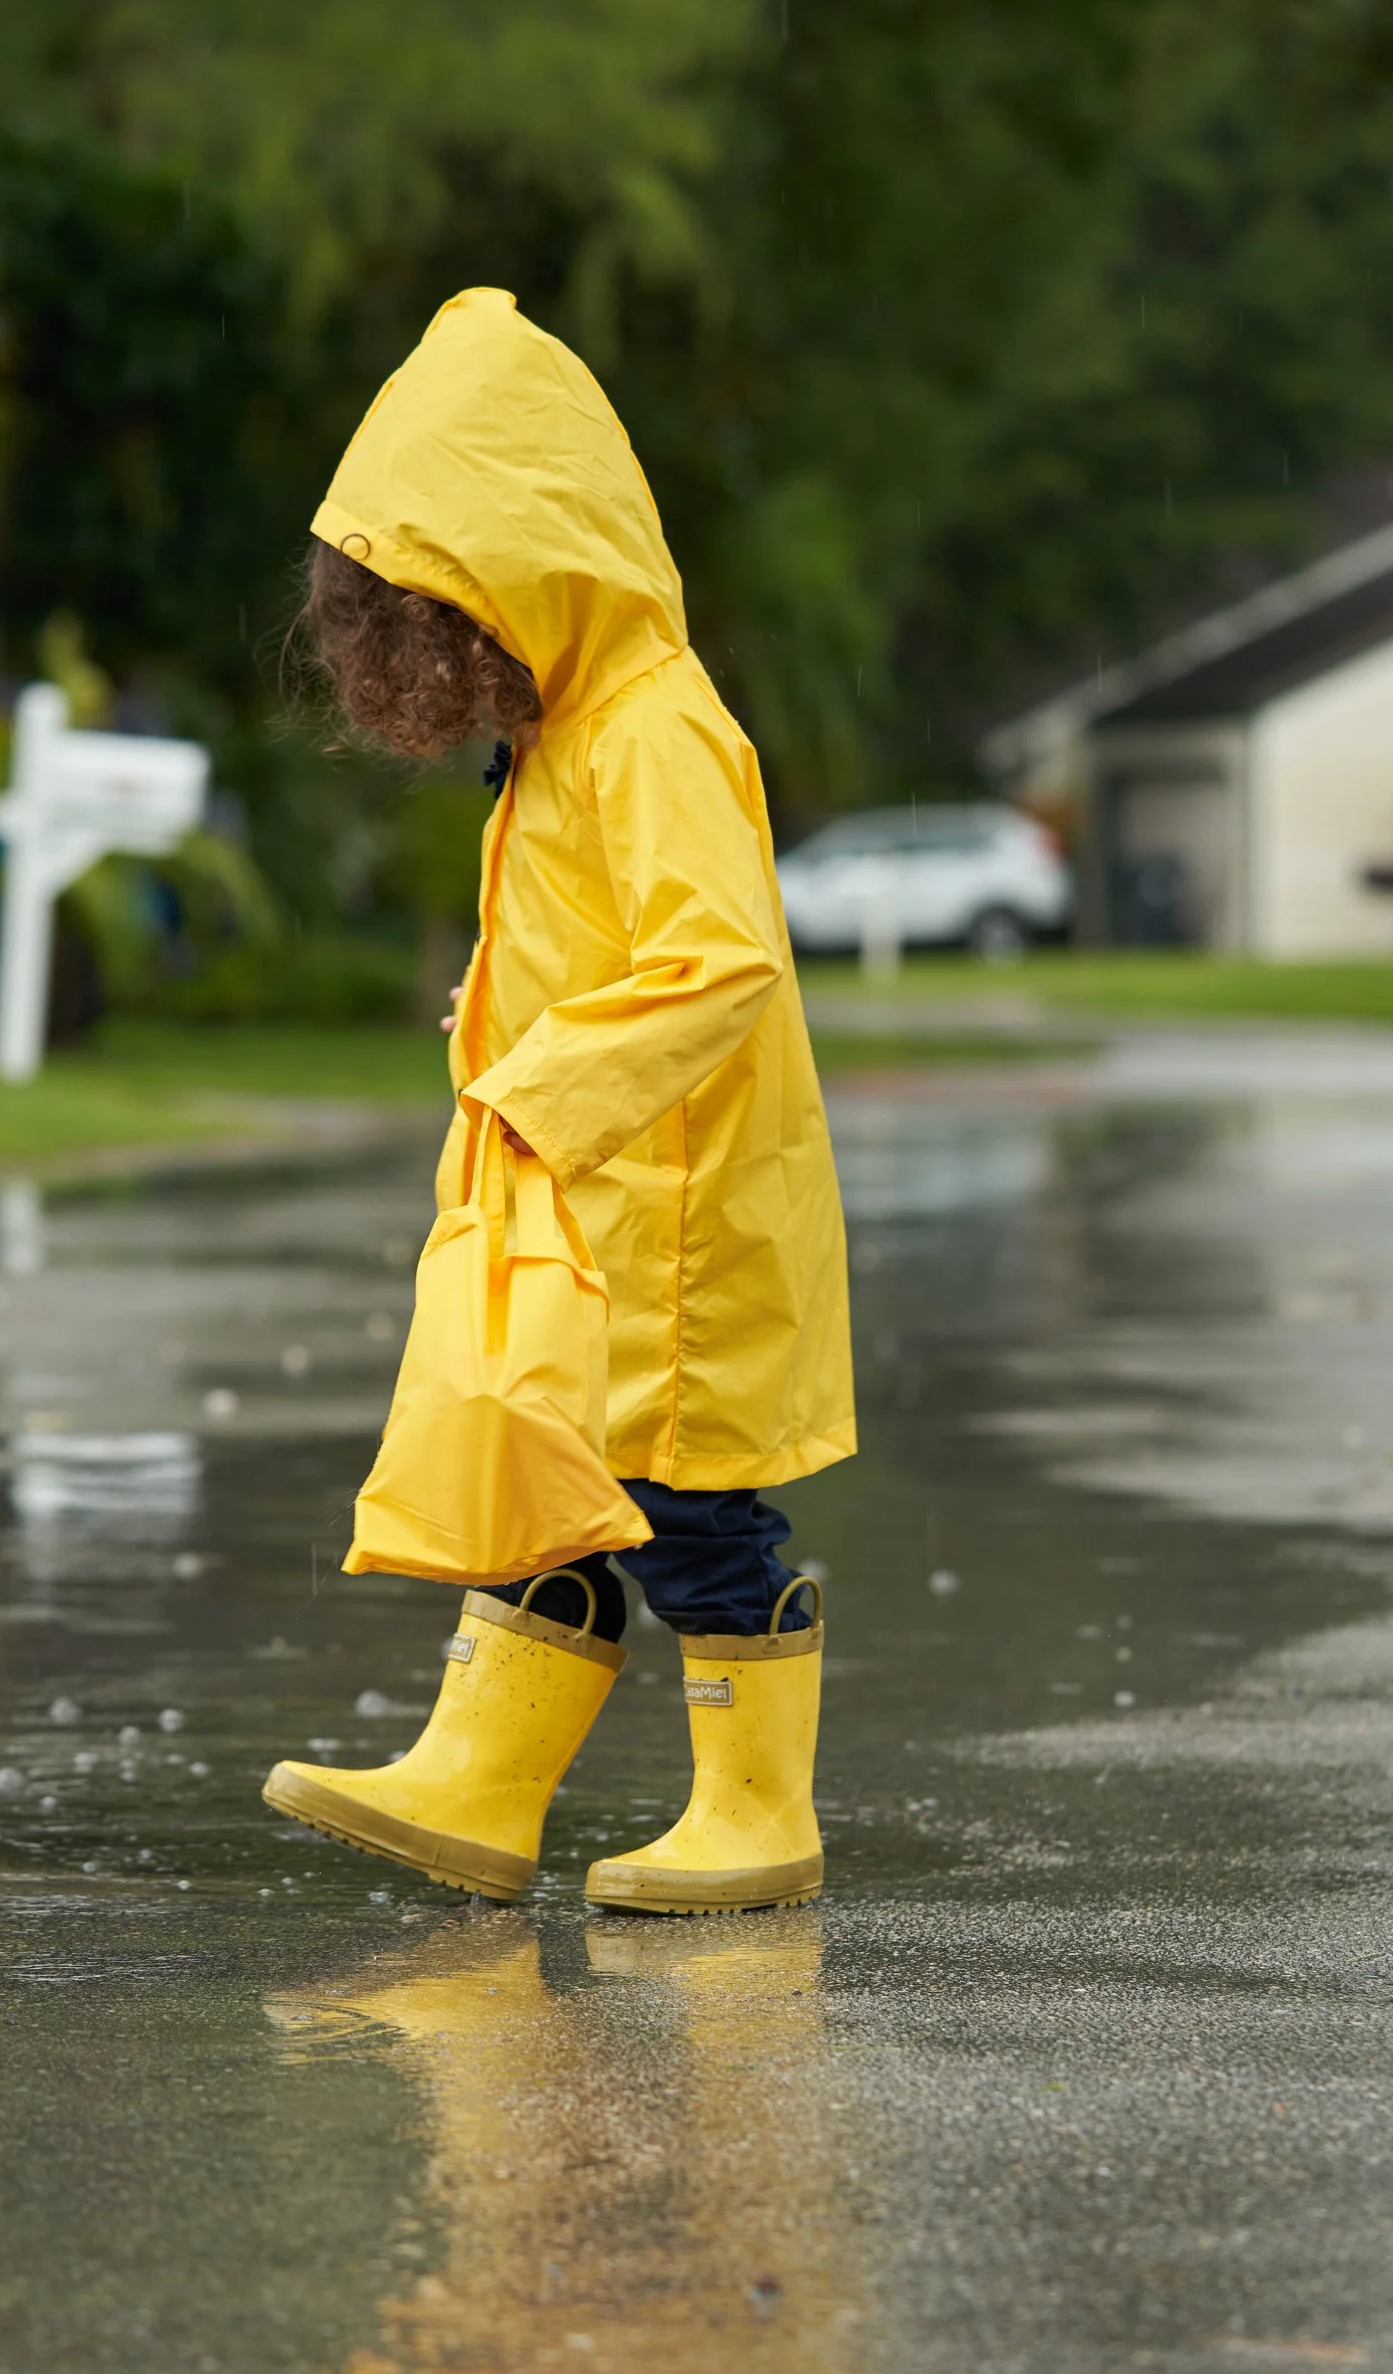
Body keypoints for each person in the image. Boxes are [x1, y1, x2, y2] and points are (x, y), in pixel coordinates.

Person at [262, 286, 854, 1913]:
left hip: (673, 1209)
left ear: (524, 567)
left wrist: (548, 1072)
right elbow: (602, 939)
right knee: (544, 1469)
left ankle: (758, 1812)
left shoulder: (650, 722)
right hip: (592, 1192)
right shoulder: (568, 729)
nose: (417, 648)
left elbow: (719, 955)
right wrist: (510, 1016)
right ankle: (482, 1778)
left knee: (688, 1504)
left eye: (432, 607)